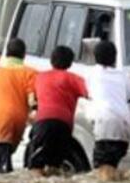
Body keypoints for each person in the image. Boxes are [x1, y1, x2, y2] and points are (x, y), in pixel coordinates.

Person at [84, 40, 130, 181]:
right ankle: (126, 180)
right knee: (110, 167)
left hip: (105, 124)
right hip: (125, 126)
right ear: (115, 57)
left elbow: (88, 93)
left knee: (103, 171)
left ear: (95, 57)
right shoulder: (122, 76)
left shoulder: (90, 74)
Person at [26, 46, 88, 174]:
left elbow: (32, 100)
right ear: (70, 63)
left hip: (43, 123)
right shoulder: (75, 79)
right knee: (55, 166)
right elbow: (89, 94)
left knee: (36, 167)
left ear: (51, 60)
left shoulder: (39, 77)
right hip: (64, 125)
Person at [0, 38, 37, 173]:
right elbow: (32, 100)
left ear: (7, 53)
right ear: (24, 55)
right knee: (4, 160)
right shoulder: (31, 73)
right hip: (18, 120)